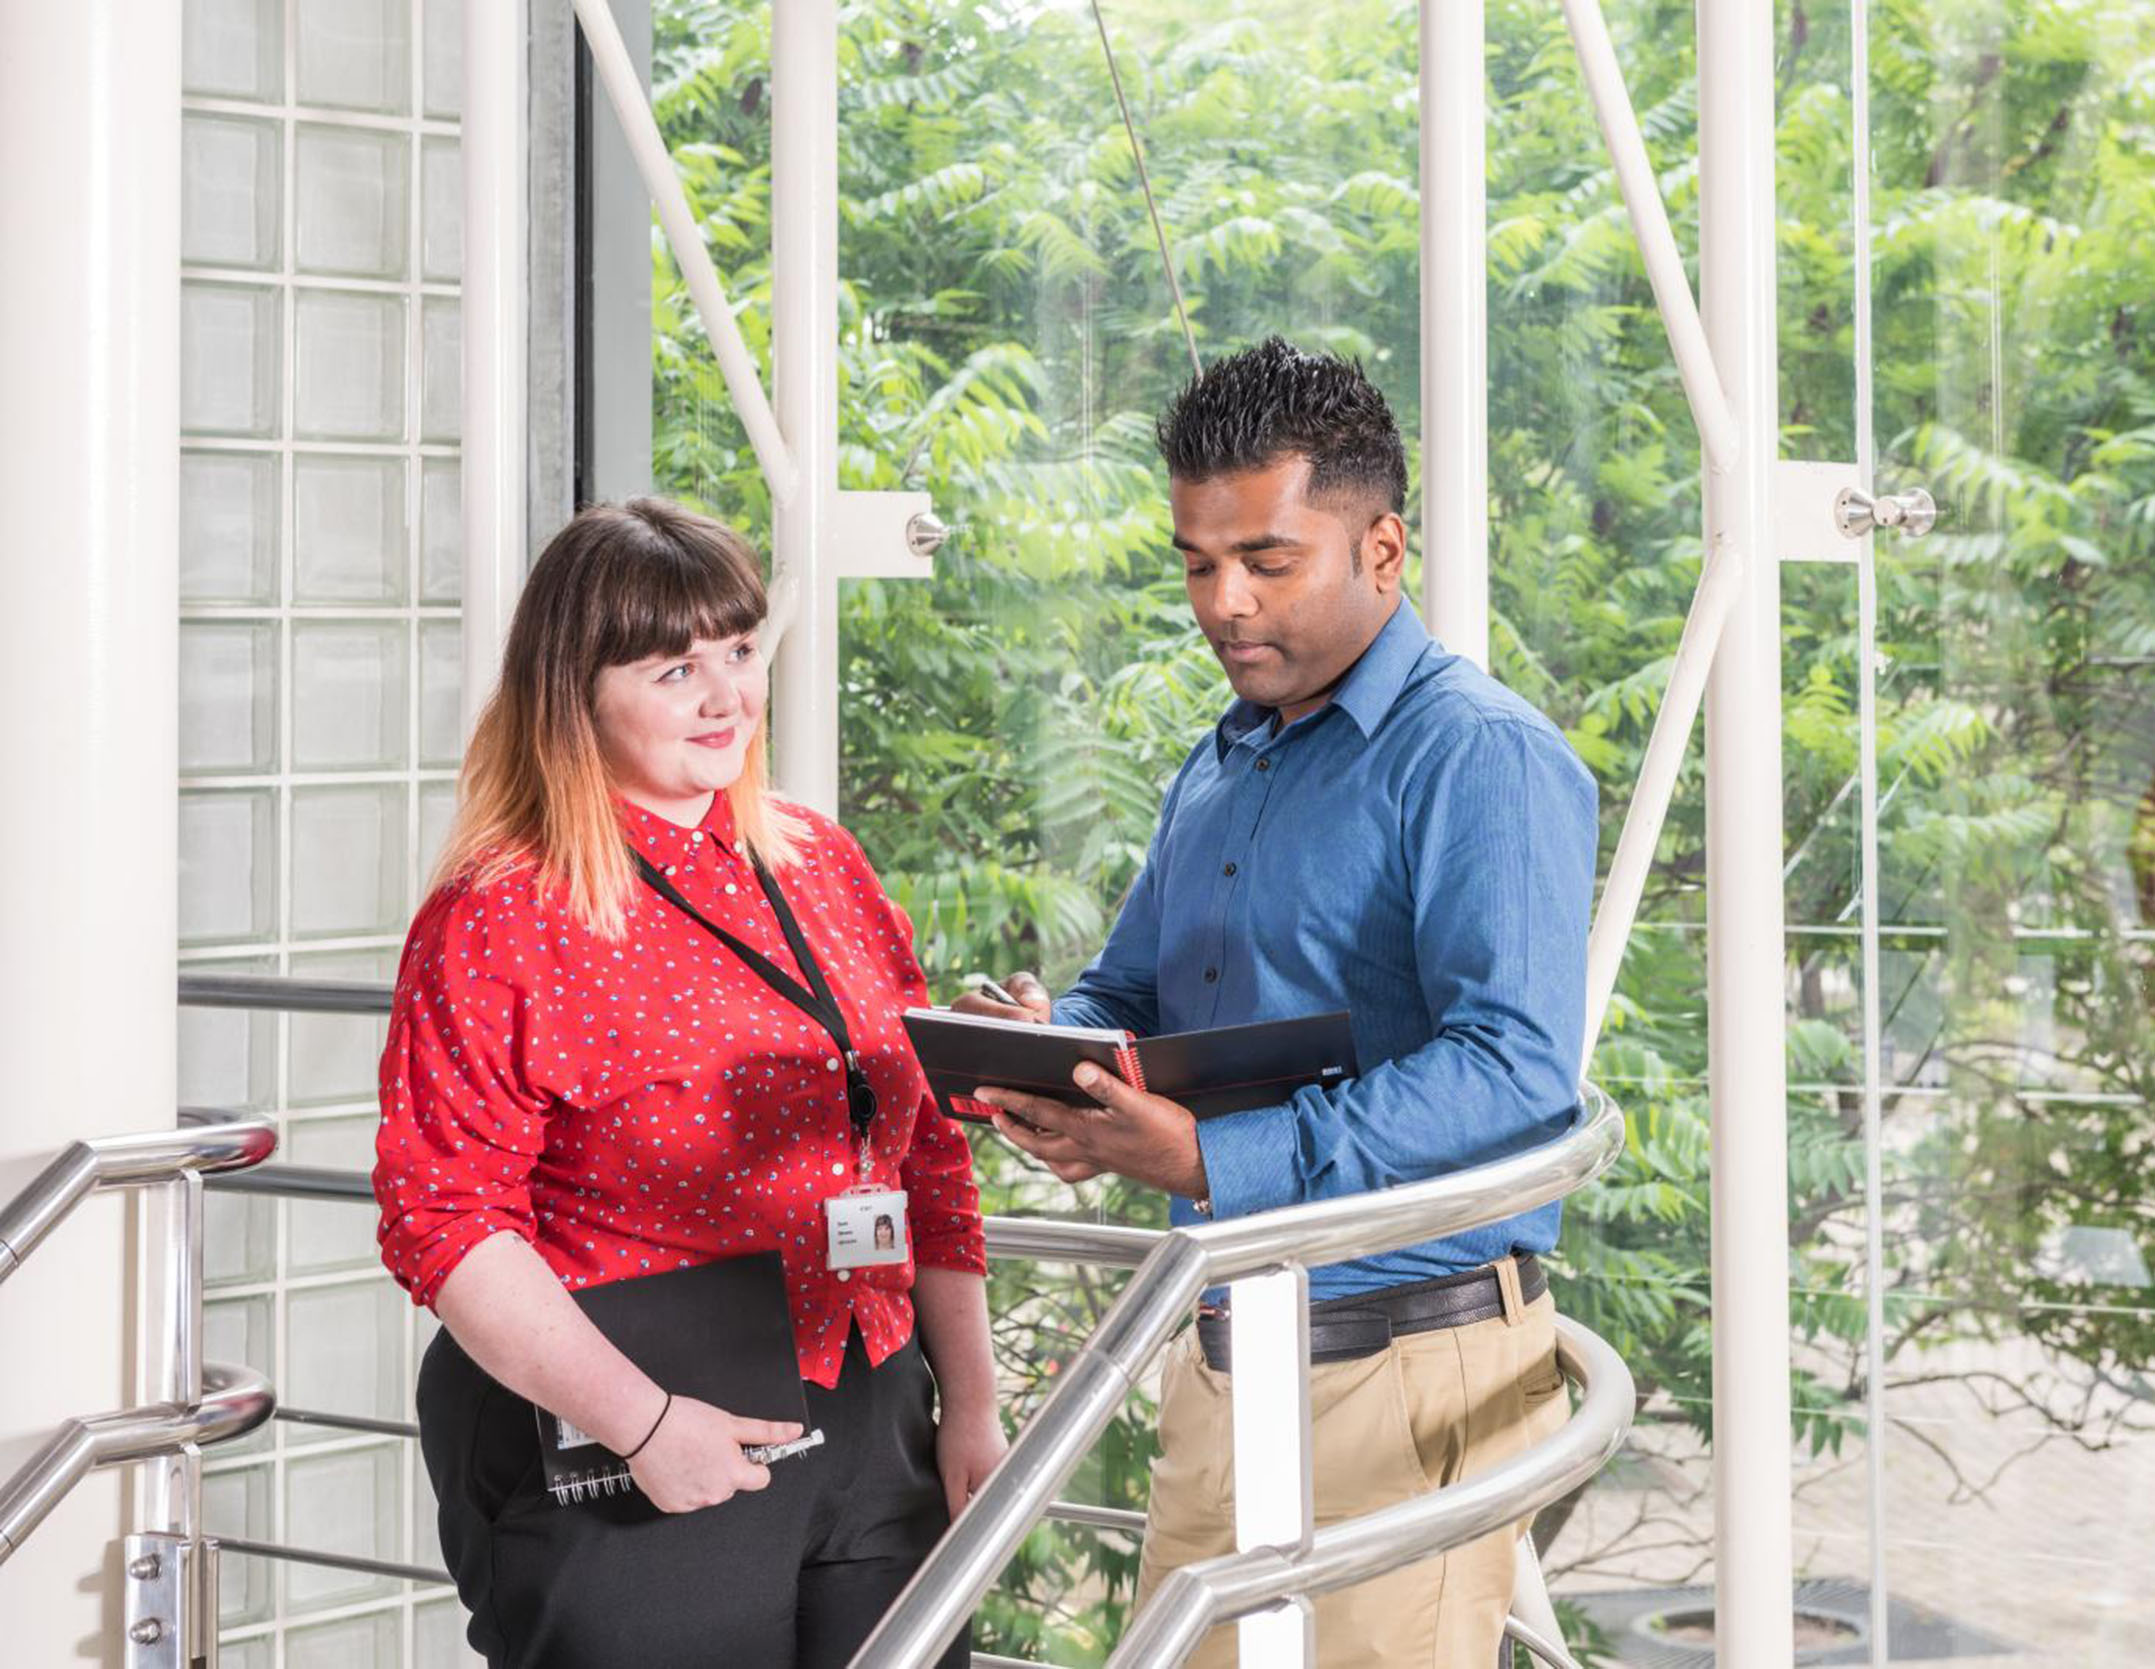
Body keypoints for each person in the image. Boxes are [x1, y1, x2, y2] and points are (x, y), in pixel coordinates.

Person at [961, 339, 1598, 1666]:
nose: (1222, 603)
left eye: (1265, 559)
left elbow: (1511, 1068)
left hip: (1405, 1372)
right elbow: (1133, 989)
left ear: (1381, 550)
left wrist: (1212, 1157)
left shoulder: (1478, 757)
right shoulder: (1223, 757)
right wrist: (1052, 1052)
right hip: (1226, 1353)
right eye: (1197, 562)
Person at [373, 499, 1003, 1669]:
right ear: (578, 692)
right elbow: (446, 1224)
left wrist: (967, 1401)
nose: (729, 697)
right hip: (633, 1430)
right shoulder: (503, 914)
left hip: (873, 1411)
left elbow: (923, 1155)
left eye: (740, 649)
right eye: (675, 669)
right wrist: (643, 1423)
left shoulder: (818, 862)